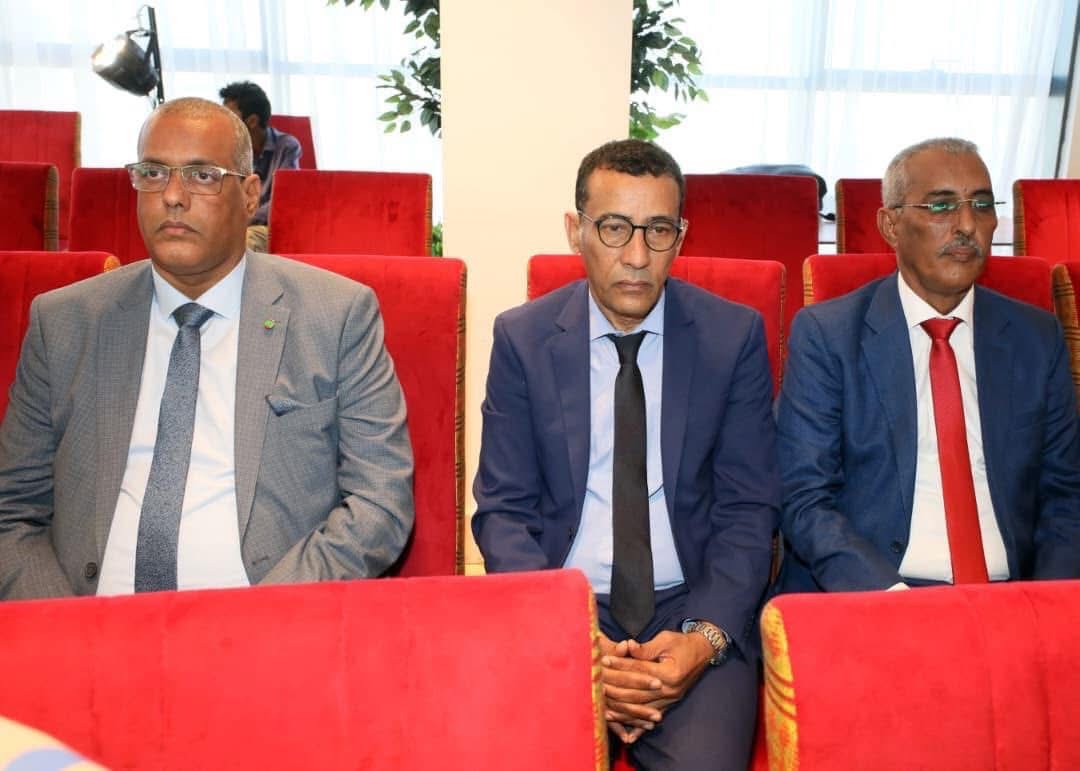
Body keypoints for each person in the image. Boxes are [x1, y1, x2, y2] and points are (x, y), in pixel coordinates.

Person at [0, 97, 414, 599]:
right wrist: (66, 627)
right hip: (90, 617)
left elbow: (379, 501)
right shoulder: (65, 323)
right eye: (153, 173)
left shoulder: (335, 315)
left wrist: (270, 613)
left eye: (202, 176)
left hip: (266, 614)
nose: (172, 196)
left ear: (250, 195)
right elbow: (12, 511)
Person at [472, 139, 778, 770]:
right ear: (576, 230)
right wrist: (571, 637)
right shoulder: (522, 339)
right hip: (562, 601)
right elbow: (503, 512)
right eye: (614, 228)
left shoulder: (732, 337)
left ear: (680, 236)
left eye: (658, 230)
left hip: (689, 604)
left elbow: (749, 511)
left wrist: (703, 638)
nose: (637, 256)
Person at [775, 137, 1080, 594]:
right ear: (891, 225)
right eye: (941, 206)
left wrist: (1046, 603)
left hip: (1009, 595)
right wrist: (895, 604)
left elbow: (1066, 495)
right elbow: (804, 497)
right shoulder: (829, 335)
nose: (967, 225)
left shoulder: (1035, 338)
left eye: (981, 205)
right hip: (874, 593)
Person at [220, 80, 302, 250]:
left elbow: (281, 202)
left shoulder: (286, 147)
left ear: (252, 121)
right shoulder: (227, 149)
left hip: (266, 226)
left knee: (245, 240)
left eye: (230, 118)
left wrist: (241, 219)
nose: (223, 124)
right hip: (233, 224)